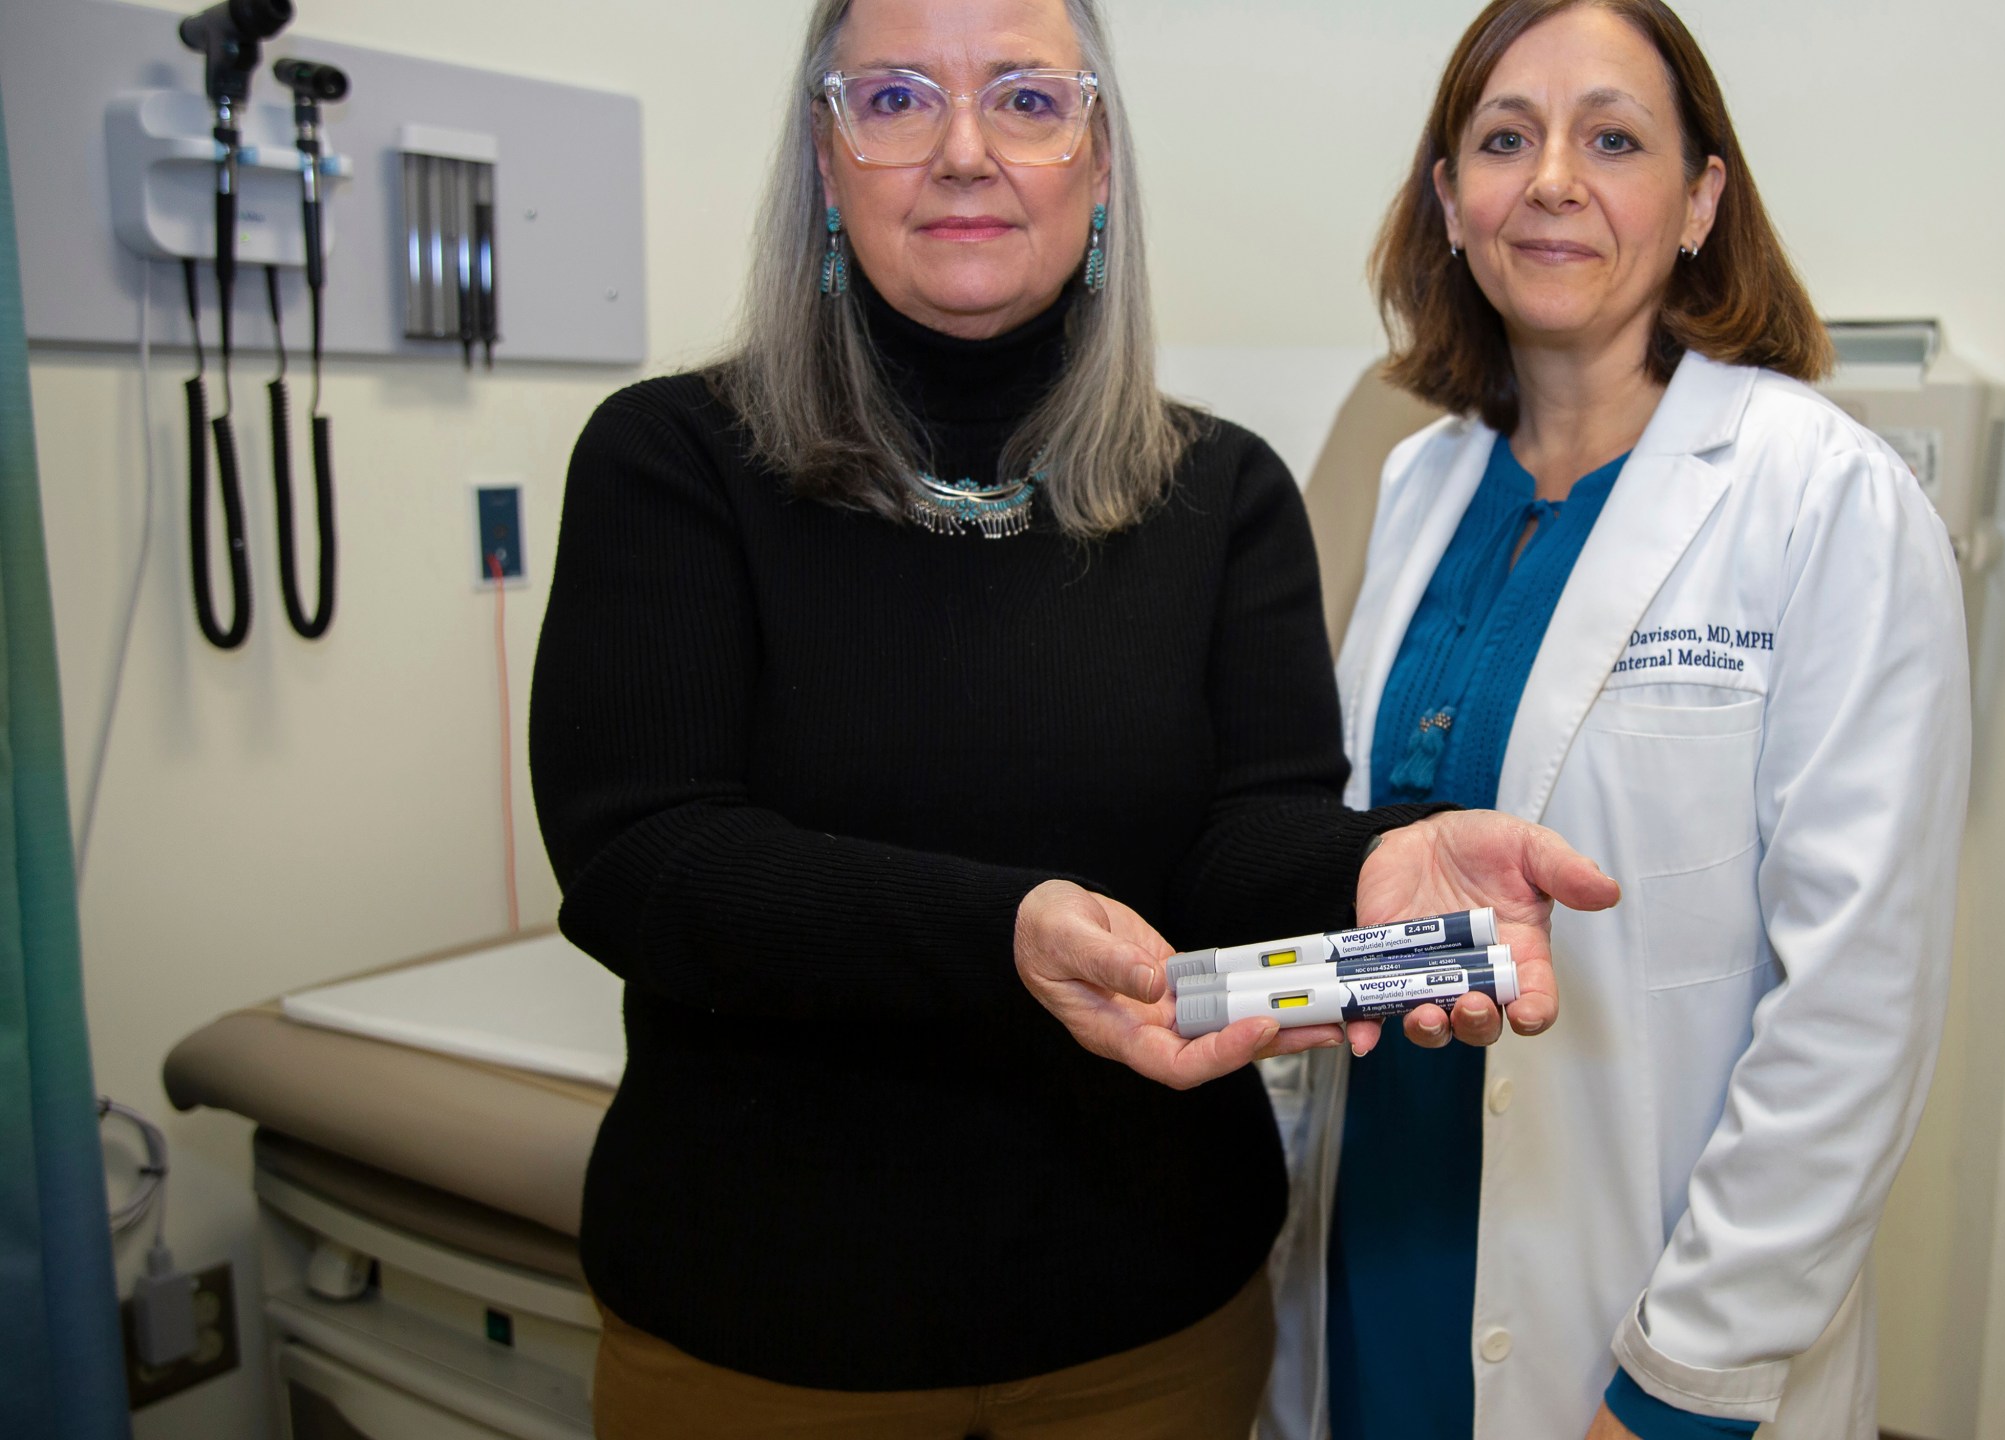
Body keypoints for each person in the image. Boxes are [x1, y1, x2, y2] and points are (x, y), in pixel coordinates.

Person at [527, 1, 1615, 1437]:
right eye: (900, 99)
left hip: (1151, 1325)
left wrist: (1371, 870)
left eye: (1029, 101)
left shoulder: (1218, 494)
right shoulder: (672, 465)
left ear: (1098, 164)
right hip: (769, 1326)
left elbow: (1243, 837)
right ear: (823, 153)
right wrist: (1005, 933)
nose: (967, 152)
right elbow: (644, 861)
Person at [1261, 3, 1971, 1439]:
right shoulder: (1421, 483)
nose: (1555, 181)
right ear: (1451, 202)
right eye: (1505, 139)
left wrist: (1683, 1388)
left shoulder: (1823, 497)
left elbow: (1855, 1001)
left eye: (1616, 138)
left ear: (1702, 198)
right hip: (1380, 1248)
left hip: (1643, 1320)